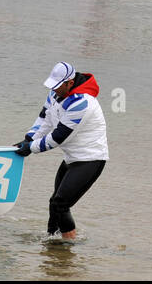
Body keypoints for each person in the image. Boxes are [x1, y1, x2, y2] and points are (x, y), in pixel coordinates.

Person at [14, 62, 109, 240]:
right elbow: (45, 120)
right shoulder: (55, 94)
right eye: (52, 86)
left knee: (61, 203)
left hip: (91, 159)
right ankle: (53, 243)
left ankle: (69, 247)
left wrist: (31, 149)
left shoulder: (82, 103)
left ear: (69, 83)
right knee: (54, 203)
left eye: (57, 86)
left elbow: (58, 137)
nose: (54, 90)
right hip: (71, 158)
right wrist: (28, 139)